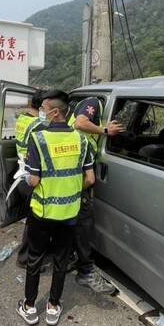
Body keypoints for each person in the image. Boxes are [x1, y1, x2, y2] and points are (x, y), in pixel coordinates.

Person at [17, 91, 95, 326]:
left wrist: (25, 177)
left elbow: (34, 181)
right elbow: (90, 179)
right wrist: (69, 189)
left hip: (42, 212)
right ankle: (53, 307)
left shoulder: (38, 139)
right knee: (61, 260)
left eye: (43, 108)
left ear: (54, 112)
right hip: (69, 213)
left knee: (35, 258)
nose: (40, 112)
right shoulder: (81, 140)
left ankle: (30, 307)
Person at [69, 95, 125, 295]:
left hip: (74, 169)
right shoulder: (95, 102)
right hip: (78, 171)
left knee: (70, 221)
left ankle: (68, 258)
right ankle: (85, 271)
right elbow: (80, 122)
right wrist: (106, 130)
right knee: (83, 223)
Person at [13, 89, 46, 268]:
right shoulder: (38, 125)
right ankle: (26, 258)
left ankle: (28, 256)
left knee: (32, 219)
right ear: (42, 107)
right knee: (36, 221)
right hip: (32, 175)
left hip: (21, 174)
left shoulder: (22, 119)